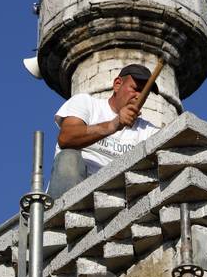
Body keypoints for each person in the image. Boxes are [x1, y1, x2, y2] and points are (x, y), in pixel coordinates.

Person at [47, 64, 161, 199]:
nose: (139, 96)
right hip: (77, 190)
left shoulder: (148, 131)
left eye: (145, 93)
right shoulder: (86, 104)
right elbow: (66, 138)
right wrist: (113, 125)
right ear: (117, 84)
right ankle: (65, 210)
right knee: (68, 157)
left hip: (117, 199)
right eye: (135, 89)